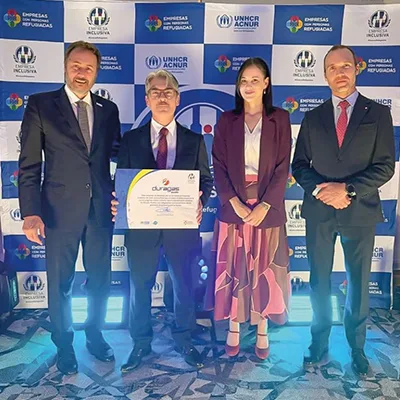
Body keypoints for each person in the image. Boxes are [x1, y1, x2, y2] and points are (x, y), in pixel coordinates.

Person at [18, 41, 121, 375]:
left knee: (100, 279)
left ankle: (94, 334)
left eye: (89, 68)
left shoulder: (109, 110)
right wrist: (31, 212)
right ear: (65, 66)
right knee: (61, 281)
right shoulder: (41, 105)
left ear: (96, 73)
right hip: (58, 210)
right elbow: (29, 163)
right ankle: (64, 343)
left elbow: (117, 157)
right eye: (76, 65)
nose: (82, 72)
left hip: (101, 211)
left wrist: (124, 194)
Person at [292, 45, 395, 376]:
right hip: (320, 211)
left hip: (360, 210)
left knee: (359, 282)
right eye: (333, 68)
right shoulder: (313, 117)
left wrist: (347, 190)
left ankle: (357, 347)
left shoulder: (378, 113)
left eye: (346, 66)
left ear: (356, 69)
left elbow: (385, 166)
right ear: (325, 75)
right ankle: (318, 342)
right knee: (319, 280)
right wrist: (323, 191)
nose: (340, 72)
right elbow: (299, 165)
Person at [112, 69, 213, 372]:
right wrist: (118, 202)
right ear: (147, 99)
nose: (162, 97)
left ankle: (184, 339)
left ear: (177, 98)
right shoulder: (130, 140)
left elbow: (205, 181)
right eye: (156, 92)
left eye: (168, 92)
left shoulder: (195, 140)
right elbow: (121, 182)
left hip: (181, 229)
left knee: (184, 285)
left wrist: (200, 201)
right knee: (140, 286)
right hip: (141, 230)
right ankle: (141, 343)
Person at [211, 57, 291, 360]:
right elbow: (218, 164)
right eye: (244, 80)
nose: (248, 86)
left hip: (267, 206)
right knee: (234, 268)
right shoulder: (226, 120)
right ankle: (233, 327)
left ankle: (262, 329)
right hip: (234, 205)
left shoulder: (280, 119)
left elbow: (283, 166)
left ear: (266, 84)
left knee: (264, 270)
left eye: (255, 80)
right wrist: (233, 201)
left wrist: (265, 204)